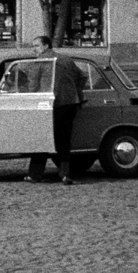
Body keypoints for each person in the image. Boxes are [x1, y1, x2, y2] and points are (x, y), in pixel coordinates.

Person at [27, 35, 84, 185]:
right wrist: (76, 92)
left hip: (50, 104)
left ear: (46, 46)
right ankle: (65, 174)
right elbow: (82, 76)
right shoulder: (66, 59)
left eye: (37, 45)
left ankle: (35, 174)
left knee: (42, 138)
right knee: (64, 139)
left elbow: (32, 86)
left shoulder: (40, 62)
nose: (34, 49)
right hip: (71, 103)